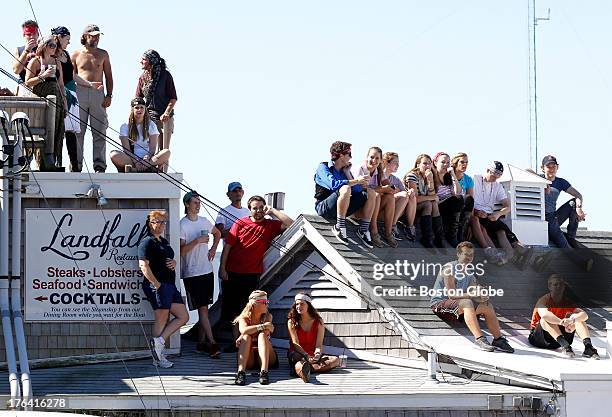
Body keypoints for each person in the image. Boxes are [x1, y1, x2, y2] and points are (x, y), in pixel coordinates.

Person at [219, 196, 293, 334]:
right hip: (232, 272)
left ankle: (247, 339)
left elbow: (291, 224)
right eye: (255, 208)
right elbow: (227, 246)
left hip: (252, 274)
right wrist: (222, 268)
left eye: (261, 207)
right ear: (249, 209)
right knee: (232, 310)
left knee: (248, 309)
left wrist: (273, 211)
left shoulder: (270, 225)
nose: (258, 210)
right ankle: (236, 341)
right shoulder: (240, 223)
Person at [430, 242, 514, 353]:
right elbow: (452, 295)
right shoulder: (449, 268)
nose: (469, 257)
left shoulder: (470, 274)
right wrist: (472, 295)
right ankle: (480, 339)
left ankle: (498, 339)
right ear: (458, 254)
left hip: (458, 307)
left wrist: (482, 297)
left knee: (487, 306)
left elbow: (475, 293)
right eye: (466, 254)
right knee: (467, 302)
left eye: (471, 255)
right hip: (440, 304)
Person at [138, 210, 189, 368]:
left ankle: (158, 343)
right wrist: (156, 284)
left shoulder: (164, 242)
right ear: (150, 224)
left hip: (170, 285)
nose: (161, 225)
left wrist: (174, 263)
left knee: (183, 316)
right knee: (161, 318)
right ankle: (158, 358)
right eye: (158, 221)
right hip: (158, 285)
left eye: (163, 222)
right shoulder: (147, 242)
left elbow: (169, 259)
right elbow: (143, 265)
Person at [51, 26, 104, 171]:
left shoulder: (66, 54)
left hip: (73, 96)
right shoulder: (53, 55)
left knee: (73, 131)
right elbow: (59, 80)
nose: (68, 42)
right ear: (59, 38)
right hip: (64, 95)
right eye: (67, 39)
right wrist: (63, 95)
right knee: (62, 132)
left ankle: (77, 166)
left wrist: (90, 85)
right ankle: (59, 163)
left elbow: (73, 76)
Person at [180, 191, 222, 358]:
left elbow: (217, 233)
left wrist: (213, 249)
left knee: (204, 308)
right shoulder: (182, 225)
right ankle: (212, 343)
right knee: (203, 309)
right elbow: (181, 251)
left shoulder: (204, 221)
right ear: (187, 205)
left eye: (199, 202)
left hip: (207, 270)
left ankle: (200, 343)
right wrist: (197, 241)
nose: (198, 205)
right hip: (191, 272)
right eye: (195, 202)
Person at [314, 141, 376, 248]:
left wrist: (348, 173)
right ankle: (339, 226)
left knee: (370, 192)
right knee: (345, 188)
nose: (351, 158)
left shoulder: (344, 172)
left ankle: (363, 229)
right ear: (341, 155)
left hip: (342, 208)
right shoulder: (323, 167)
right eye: (349, 154)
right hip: (324, 208)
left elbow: (357, 190)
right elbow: (333, 184)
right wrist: (356, 180)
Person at [472, 161, 532, 265]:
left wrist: (498, 214)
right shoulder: (475, 179)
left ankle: (511, 255)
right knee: (498, 228)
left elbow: (508, 206)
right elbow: (468, 199)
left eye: (499, 174)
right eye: (494, 173)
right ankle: (518, 250)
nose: (496, 177)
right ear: (487, 170)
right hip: (476, 215)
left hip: (489, 216)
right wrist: (476, 212)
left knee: (501, 231)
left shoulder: (497, 185)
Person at [72, 24, 113, 173]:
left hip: (98, 93)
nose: (96, 38)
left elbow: (108, 76)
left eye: (98, 36)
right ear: (85, 36)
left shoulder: (103, 54)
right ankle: (76, 165)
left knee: (100, 130)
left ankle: (100, 165)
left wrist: (109, 95)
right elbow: (71, 76)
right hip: (80, 92)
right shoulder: (76, 54)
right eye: (93, 35)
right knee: (78, 131)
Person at [529, 274, 599, 359]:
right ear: (549, 286)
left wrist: (572, 320)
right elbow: (544, 314)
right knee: (545, 320)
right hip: (540, 338)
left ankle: (588, 347)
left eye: (561, 284)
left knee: (578, 319)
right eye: (555, 284)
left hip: (558, 336)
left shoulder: (567, 301)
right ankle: (565, 346)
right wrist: (561, 322)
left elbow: (584, 315)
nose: (559, 287)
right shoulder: (544, 300)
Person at [24, 36, 65, 171]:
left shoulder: (56, 62)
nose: (54, 48)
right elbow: (27, 82)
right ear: (44, 46)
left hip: (56, 99)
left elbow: (61, 84)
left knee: (57, 128)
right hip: (41, 96)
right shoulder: (35, 62)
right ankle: (39, 160)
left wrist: (64, 102)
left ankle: (52, 158)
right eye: (52, 45)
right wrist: (44, 75)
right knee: (41, 131)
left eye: (55, 46)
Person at [135, 50, 177, 172]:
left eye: (143, 59)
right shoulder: (143, 77)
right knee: (149, 148)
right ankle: (149, 170)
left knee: (164, 148)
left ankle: (164, 174)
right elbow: (138, 98)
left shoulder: (165, 76)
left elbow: (173, 97)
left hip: (165, 117)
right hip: (149, 117)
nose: (141, 61)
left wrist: (167, 113)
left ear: (151, 61)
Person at [287, 293, 340, 383]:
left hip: (312, 355)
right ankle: (305, 368)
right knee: (298, 359)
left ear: (309, 305)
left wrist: (317, 354)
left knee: (335, 360)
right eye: (297, 304)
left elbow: (319, 344)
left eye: (302, 304)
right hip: (298, 354)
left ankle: (302, 370)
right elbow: (295, 344)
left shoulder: (318, 322)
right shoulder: (292, 322)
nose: (299, 306)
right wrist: (306, 355)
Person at [535, 155, 586, 248]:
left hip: (553, 217)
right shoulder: (538, 178)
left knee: (574, 203)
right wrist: (544, 183)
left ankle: (571, 237)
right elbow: (526, 171)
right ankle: (578, 259)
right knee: (563, 244)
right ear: (542, 168)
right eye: (548, 167)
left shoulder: (560, 182)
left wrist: (579, 208)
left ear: (557, 167)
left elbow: (578, 195)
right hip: (540, 219)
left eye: (553, 166)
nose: (551, 169)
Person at [352, 147, 397, 248]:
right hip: (358, 208)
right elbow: (362, 189)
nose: (374, 160)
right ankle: (373, 230)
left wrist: (387, 188)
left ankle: (388, 232)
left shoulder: (379, 171)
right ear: (366, 157)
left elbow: (390, 187)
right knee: (376, 195)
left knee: (390, 197)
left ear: (381, 160)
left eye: (377, 158)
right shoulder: (360, 168)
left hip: (373, 207)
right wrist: (382, 189)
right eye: (371, 157)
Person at [110, 98, 171, 172]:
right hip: (132, 160)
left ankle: (145, 167)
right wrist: (136, 161)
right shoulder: (125, 126)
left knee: (166, 152)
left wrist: (147, 158)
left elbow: (152, 149)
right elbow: (126, 150)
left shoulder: (151, 125)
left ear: (145, 109)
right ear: (132, 109)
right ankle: (138, 168)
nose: (139, 110)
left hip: (148, 160)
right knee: (114, 155)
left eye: (142, 107)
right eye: (137, 108)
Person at [233, 290, 278, 385]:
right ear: (255, 304)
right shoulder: (244, 318)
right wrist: (262, 326)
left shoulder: (268, 316)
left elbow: (265, 332)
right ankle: (241, 372)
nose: (267, 304)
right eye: (264, 302)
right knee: (246, 337)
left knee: (261, 335)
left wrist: (251, 330)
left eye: (267, 302)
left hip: (267, 357)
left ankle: (264, 372)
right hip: (250, 357)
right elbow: (244, 330)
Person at [404, 154, 444, 248]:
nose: (427, 166)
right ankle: (427, 238)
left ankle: (438, 238)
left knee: (432, 203)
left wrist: (430, 181)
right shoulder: (412, 176)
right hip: (410, 207)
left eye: (429, 164)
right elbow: (415, 198)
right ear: (418, 164)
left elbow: (432, 196)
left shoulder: (429, 176)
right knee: (428, 204)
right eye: (425, 163)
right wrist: (432, 197)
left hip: (424, 206)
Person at [382, 152, 416, 241]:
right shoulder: (378, 175)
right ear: (386, 162)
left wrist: (411, 192)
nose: (398, 165)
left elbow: (405, 192)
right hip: (381, 208)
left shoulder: (395, 179)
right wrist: (394, 191)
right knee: (404, 195)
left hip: (393, 210)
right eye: (395, 163)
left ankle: (408, 226)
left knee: (410, 196)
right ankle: (392, 225)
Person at [433, 152, 464, 248]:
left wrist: (453, 175)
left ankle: (458, 234)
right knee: (458, 200)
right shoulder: (431, 175)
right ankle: (452, 236)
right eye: (443, 162)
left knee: (467, 199)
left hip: (450, 205)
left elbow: (457, 192)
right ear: (435, 163)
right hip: (438, 205)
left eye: (448, 162)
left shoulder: (449, 176)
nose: (446, 165)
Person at [451, 152, 475, 243]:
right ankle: (453, 233)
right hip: (451, 206)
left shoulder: (468, 179)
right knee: (460, 198)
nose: (465, 164)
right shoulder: (448, 175)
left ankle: (461, 231)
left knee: (468, 198)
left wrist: (470, 224)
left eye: (466, 162)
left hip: (462, 210)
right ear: (455, 163)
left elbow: (471, 202)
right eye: (462, 162)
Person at [13, 20, 40, 94]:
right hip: (24, 87)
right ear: (24, 35)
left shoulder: (43, 49)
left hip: (40, 85)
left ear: (38, 34)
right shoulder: (19, 50)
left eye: (34, 34)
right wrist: (26, 51)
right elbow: (16, 70)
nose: (32, 37)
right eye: (29, 34)